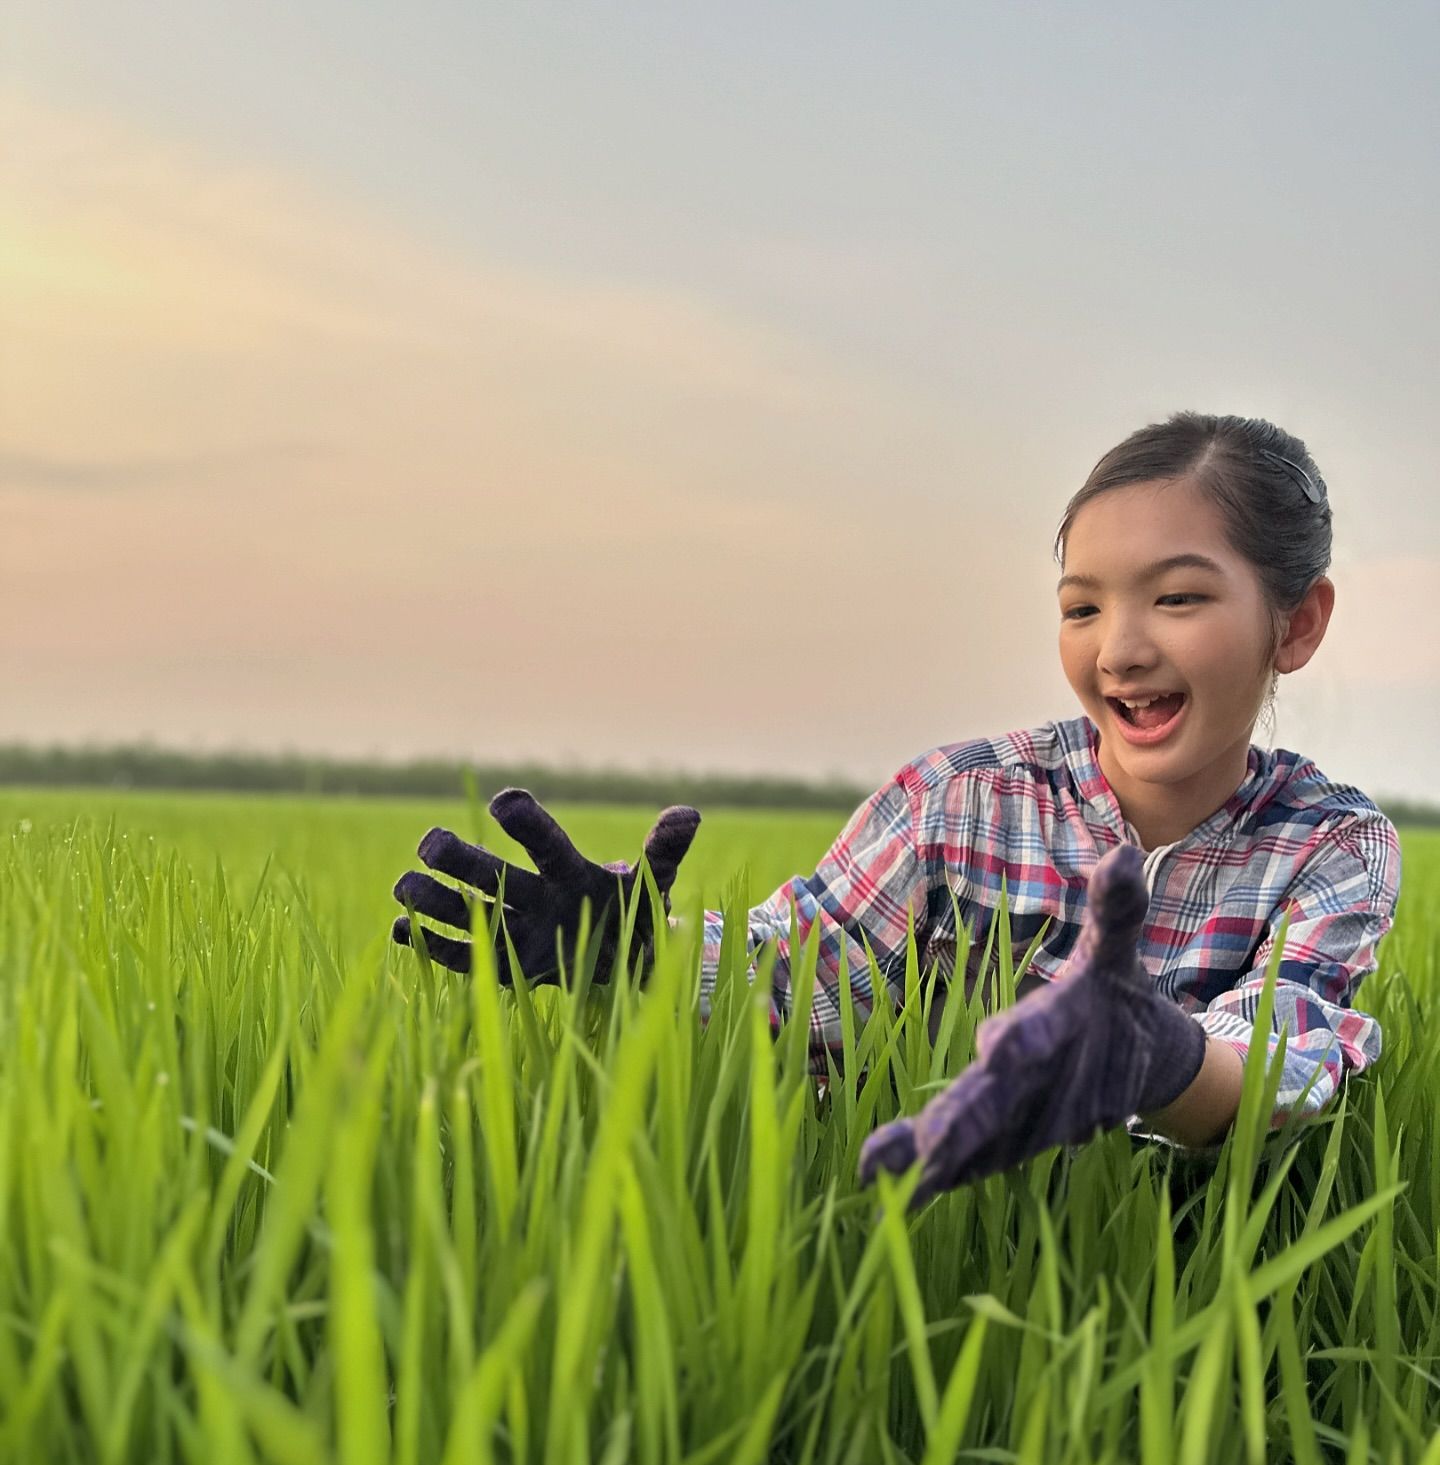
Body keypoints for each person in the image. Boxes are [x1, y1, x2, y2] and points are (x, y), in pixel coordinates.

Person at [391, 412, 1402, 1208]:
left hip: (1168, 1285)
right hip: (907, 1226)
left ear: (1297, 621)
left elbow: (1292, 1060)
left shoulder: (1333, 848)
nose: (1119, 649)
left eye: (1177, 599)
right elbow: (810, 964)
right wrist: (642, 951)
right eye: (1082, 606)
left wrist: (1158, 1056)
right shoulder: (961, 800)